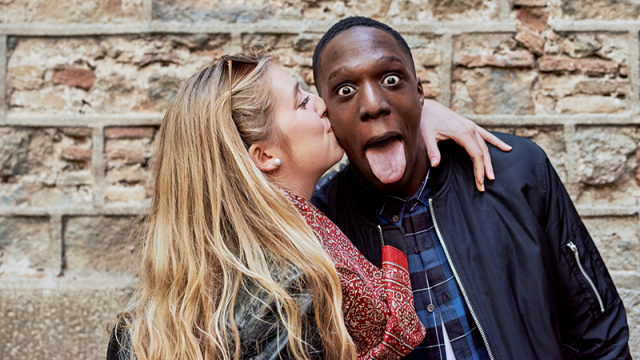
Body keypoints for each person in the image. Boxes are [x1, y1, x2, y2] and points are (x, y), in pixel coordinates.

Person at [106, 49, 510, 360]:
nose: (321, 104)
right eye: (301, 102)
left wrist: (417, 113)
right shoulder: (290, 292)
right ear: (264, 157)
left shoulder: (200, 282)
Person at [311, 16, 631, 360]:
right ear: (326, 115)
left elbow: (599, 331)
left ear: (419, 93)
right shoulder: (320, 227)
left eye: (391, 79)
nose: (373, 104)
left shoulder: (518, 171)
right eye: (345, 90)